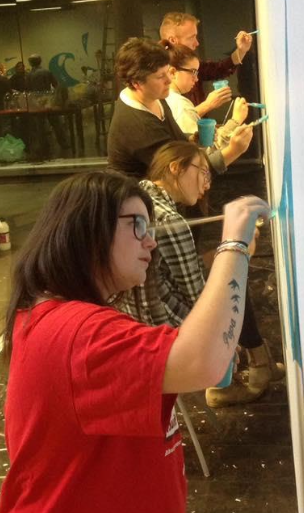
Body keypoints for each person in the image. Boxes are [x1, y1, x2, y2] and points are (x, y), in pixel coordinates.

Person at [0, 171, 267, 513]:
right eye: (137, 225)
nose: (150, 242)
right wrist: (234, 244)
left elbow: (209, 360)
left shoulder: (63, 320)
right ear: (87, 229)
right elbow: (203, 362)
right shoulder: (78, 334)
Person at [119, 140, 278, 406]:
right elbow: (198, 298)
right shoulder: (170, 220)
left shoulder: (137, 199)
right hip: (161, 329)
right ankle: (221, 385)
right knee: (232, 286)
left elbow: (182, 268)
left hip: (131, 319)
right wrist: (238, 252)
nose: (207, 184)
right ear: (175, 168)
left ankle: (261, 362)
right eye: (203, 172)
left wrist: (225, 251)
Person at [106, 37, 184, 177]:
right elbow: (182, 172)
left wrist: (195, 138)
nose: (169, 80)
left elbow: (176, 141)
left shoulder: (153, 95)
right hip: (140, 189)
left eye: (168, 71)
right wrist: (227, 153)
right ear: (136, 83)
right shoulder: (138, 124)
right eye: (160, 76)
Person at [166, 52, 254, 173]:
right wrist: (236, 120)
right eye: (193, 72)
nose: (196, 79)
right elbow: (206, 154)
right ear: (172, 72)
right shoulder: (180, 105)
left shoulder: (167, 101)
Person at [160, 10, 253, 109]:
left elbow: (220, 69)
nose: (197, 43)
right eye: (191, 37)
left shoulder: (192, 64)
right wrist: (208, 105)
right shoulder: (159, 77)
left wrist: (241, 50)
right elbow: (181, 117)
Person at [25, 54, 69, 159]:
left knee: (40, 125)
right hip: (48, 100)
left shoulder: (29, 75)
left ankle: (44, 146)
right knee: (55, 122)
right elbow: (55, 84)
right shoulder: (46, 72)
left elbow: (27, 89)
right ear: (40, 61)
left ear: (30, 63)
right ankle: (63, 143)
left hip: (36, 101)